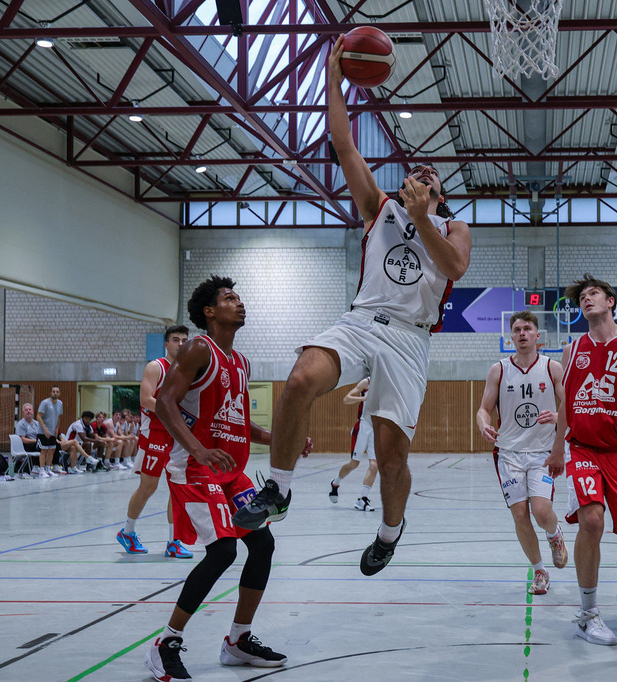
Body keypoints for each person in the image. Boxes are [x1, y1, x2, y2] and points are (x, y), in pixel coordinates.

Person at [232, 34, 472, 578]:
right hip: (362, 319)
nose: (423, 173)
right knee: (298, 380)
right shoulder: (379, 207)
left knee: (390, 458)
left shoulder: (453, 226)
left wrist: (418, 217)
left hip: (411, 338)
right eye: (418, 169)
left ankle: (390, 532)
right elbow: (342, 142)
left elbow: (453, 268)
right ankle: (279, 488)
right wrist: (333, 75)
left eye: (432, 176)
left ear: (438, 193)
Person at [144, 276, 308, 679]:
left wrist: (280, 439)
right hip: (195, 468)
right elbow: (164, 402)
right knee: (222, 552)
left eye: (239, 297)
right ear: (209, 312)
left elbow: (239, 420)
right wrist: (198, 449)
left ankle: (237, 639)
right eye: (230, 298)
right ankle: (166, 644)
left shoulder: (241, 362)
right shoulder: (200, 348)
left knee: (263, 544)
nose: (240, 303)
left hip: (231, 474)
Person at [545, 274, 617, 646]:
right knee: (592, 523)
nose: (586, 299)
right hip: (582, 449)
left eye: (593, 293)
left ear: (611, 301)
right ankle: (588, 613)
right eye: (581, 296)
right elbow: (566, 403)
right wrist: (556, 448)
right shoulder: (572, 349)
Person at [478, 310, 569, 595]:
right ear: (511, 335)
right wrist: (483, 424)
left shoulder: (552, 367)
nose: (521, 333)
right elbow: (483, 409)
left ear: (537, 335)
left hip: (542, 451)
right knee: (520, 515)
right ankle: (539, 571)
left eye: (527, 328)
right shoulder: (499, 370)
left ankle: (554, 535)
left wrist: (557, 416)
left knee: (542, 513)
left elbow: (570, 404)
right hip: (509, 454)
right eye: (517, 329)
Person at [117, 325, 194, 558]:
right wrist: (174, 413)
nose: (180, 343)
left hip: (177, 434)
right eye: (176, 339)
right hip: (156, 433)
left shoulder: (189, 371)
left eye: (184, 340)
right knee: (148, 487)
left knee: (177, 489)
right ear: (166, 344)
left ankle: (174, 541)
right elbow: (145, 399)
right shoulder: (156, 366)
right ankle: (127, 531)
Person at [328, 377, 379, 511]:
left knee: (374, 465)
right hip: (363, 426)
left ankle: (363, 499)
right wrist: (363, 399)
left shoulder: (386, 384)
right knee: (354, 463)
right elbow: (346, 399)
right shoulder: (366, 383)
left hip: (376, 427)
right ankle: (335, 483)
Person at [36, 387, 64, 475]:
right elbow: (38, 416)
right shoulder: (45, 403)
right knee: (44, 450)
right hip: (43, 432)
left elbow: (59, 417)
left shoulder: (60, 403)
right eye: (53, 391)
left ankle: (48, 469)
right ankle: (41, 470)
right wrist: (45, 429)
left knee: (52, 449)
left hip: (53, 431)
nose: (55, 393)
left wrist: (57, 429)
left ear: (59, 393)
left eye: (57, 392)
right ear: (50, 392)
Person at [14, 403, 42, 476]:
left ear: (32, 412)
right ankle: (36, 466)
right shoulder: (21, 424)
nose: (28, 411)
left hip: (35, 443)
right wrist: (36, 441)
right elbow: (23, 439)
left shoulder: (36, 423)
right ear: (23, 413)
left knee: (50, 445)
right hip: (25, 445)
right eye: (26, 410)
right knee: (39, 446)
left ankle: (52, 466)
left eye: (30, 410)